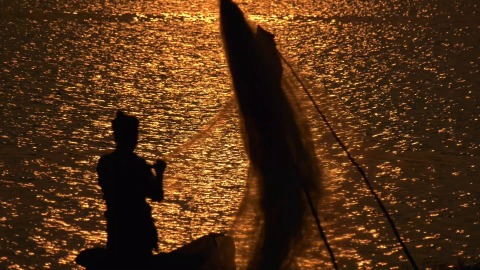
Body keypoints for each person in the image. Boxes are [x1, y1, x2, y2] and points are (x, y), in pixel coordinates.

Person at [96, 111, 166, 267]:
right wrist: (160, 173)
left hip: (116, 230)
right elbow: (157, 194)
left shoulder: (105, 163)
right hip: (137, 233)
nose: (136, 137)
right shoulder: (138, 165)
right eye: (135, 133)